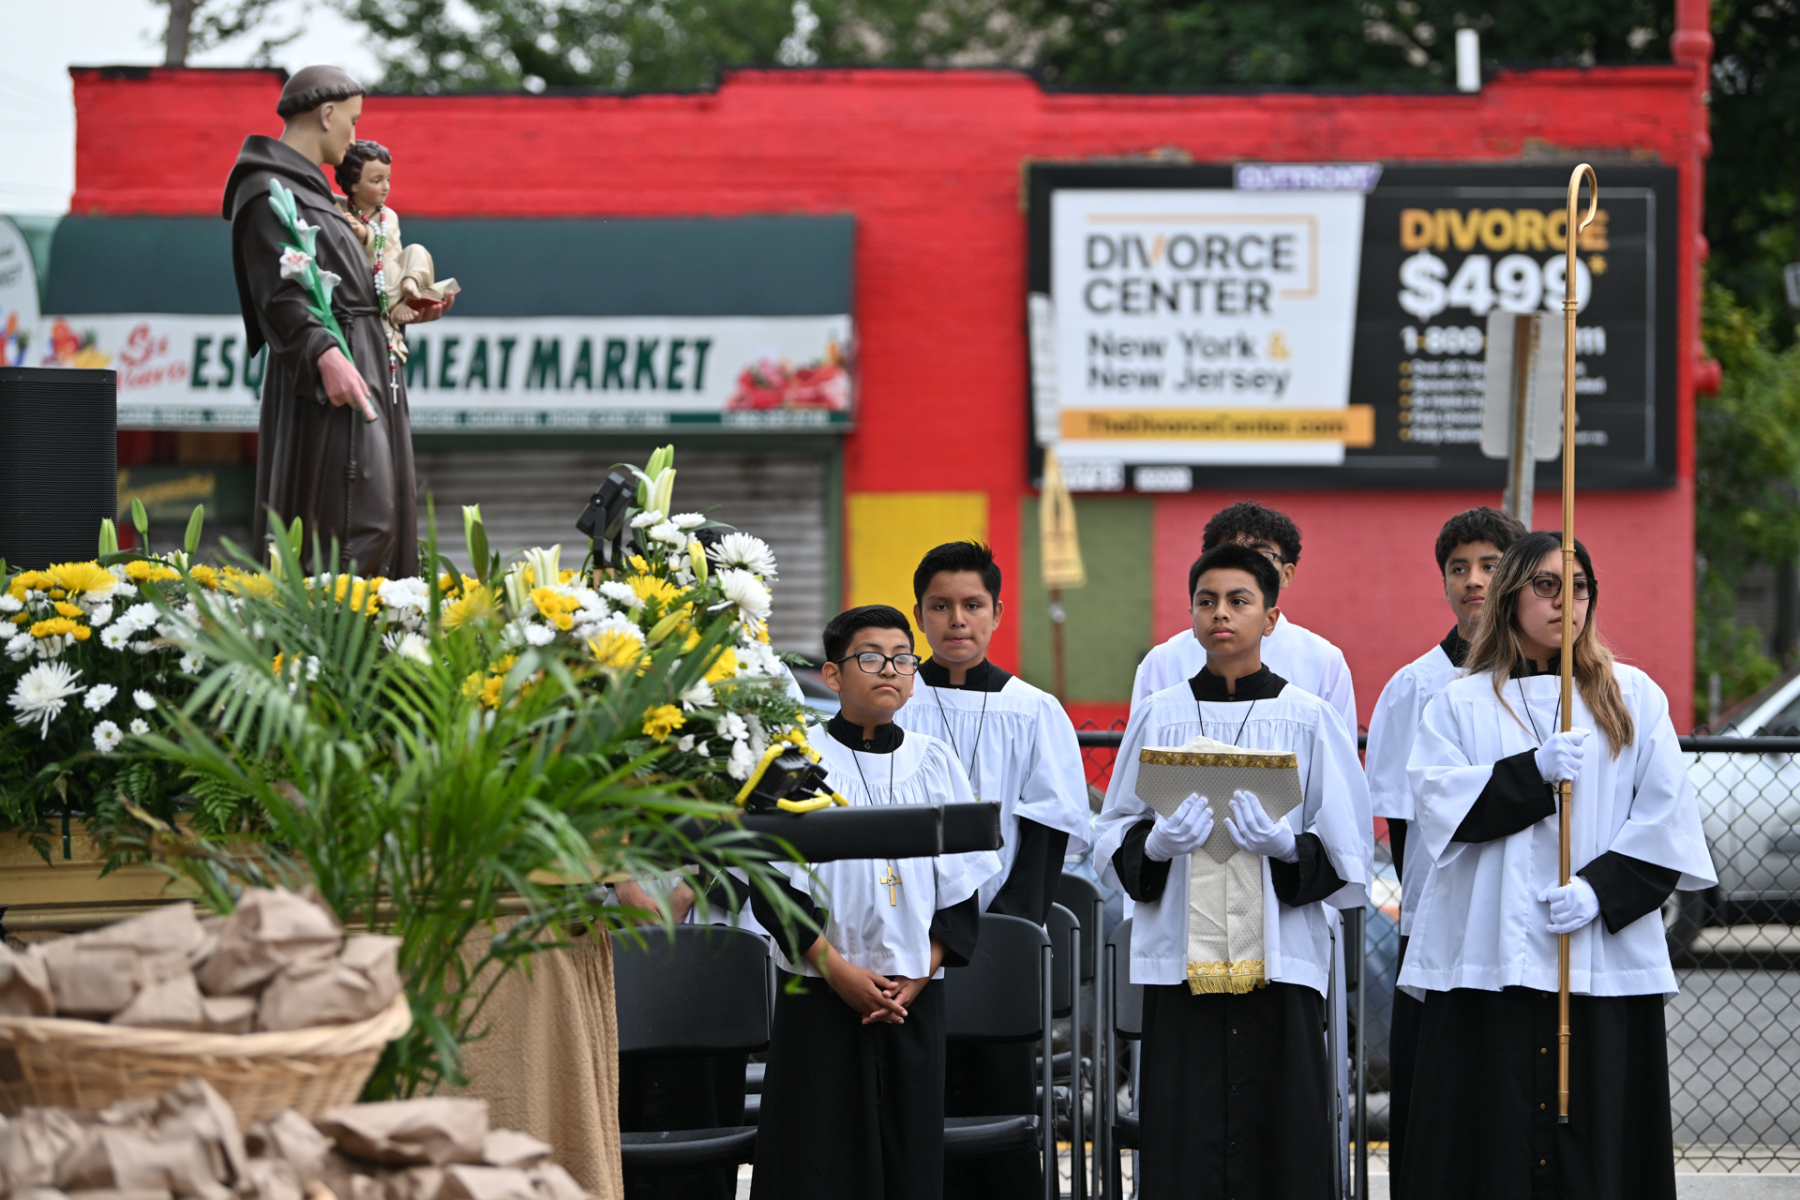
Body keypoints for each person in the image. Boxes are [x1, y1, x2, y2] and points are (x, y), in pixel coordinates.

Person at [1397, 532, 1715, 1200]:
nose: (1564, 602)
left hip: (1596, 955)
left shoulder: (1633, 697)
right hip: (1489, 958)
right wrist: (1530, 774)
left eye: (1578, 587)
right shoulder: (1460, 703)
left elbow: (1668, 821)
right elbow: (1438, 805)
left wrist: (1601, 891)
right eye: (1545, 586)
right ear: (1511, 596)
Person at [1096, 543, 1370, 1199]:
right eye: (1206, 601)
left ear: (1271, 617)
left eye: (1239, 600)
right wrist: (1155, 845)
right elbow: (1112, 830)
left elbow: (1349, 846)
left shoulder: (1308, 716)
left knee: (1283, 1136)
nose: (1220, 613)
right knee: (1183, 1134)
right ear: (1192, 615)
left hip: (1277, 960)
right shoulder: (1160, 713)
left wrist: (1287, 848)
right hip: (1182, 965)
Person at [750, 605, 1001, 1200]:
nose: (889, 669)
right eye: (870, 657)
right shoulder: (792, 761)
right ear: (833, 675)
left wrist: (921, 971)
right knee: (817, 1156)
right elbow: (769, 884)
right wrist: (836, 969)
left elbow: (962, 887)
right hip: (820, 988)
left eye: (902, 658)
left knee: (907, 1153)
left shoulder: (935, 760)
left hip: (913, 997)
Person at [894, 541, 1091, 1200]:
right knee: (908, 1107)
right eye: (940, 606)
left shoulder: (1032, 710)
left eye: (973, 605)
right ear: (919, 615)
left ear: (998, 613)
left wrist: (999, 932)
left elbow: (1047, 830)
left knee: (997, 1109)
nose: (957, 620)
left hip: (996, 937)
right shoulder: (893, 703)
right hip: (901, 938)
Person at [222, 66, 447, 579]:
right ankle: (333, 623)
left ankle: (370, 623)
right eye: (353, 119)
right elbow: (277, 292)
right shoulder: (267, 189)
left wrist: (403, 304)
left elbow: (354, 282)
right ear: (327, 115)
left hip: (367, 358)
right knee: (361, 518)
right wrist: (324, 353)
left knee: (384, 514)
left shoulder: (318, 195)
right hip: (334, 374)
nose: (354, 133)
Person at [1362, 505, 1525, 1187]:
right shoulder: (1415, 686)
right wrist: (1428, 904)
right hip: (1438, 921)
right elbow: (1403, 820)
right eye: (1459, 568)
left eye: (1489, 565)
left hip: (1522, 917)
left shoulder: (1545, 682)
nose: (1473, 580)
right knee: (1437, 1089)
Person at [1130, 501, 1356, 732]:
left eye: (1260, 556)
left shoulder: (1323, 661)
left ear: (1286, 574)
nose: (1242, 568)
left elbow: (1336, 749)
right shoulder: (1164, 661)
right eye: (1229, 555)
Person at [335, 139, 459, 369]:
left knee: (416, 251)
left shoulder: (387, 215)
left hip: (393, 275)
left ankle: (410, 284)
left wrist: (363, 233)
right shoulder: (340, 209)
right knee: (384, 268)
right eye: (376, 181)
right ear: (353, 184)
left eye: (388, 179)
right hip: (371, 282)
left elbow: (385, 241)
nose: (385, 187)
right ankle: (396, 306)